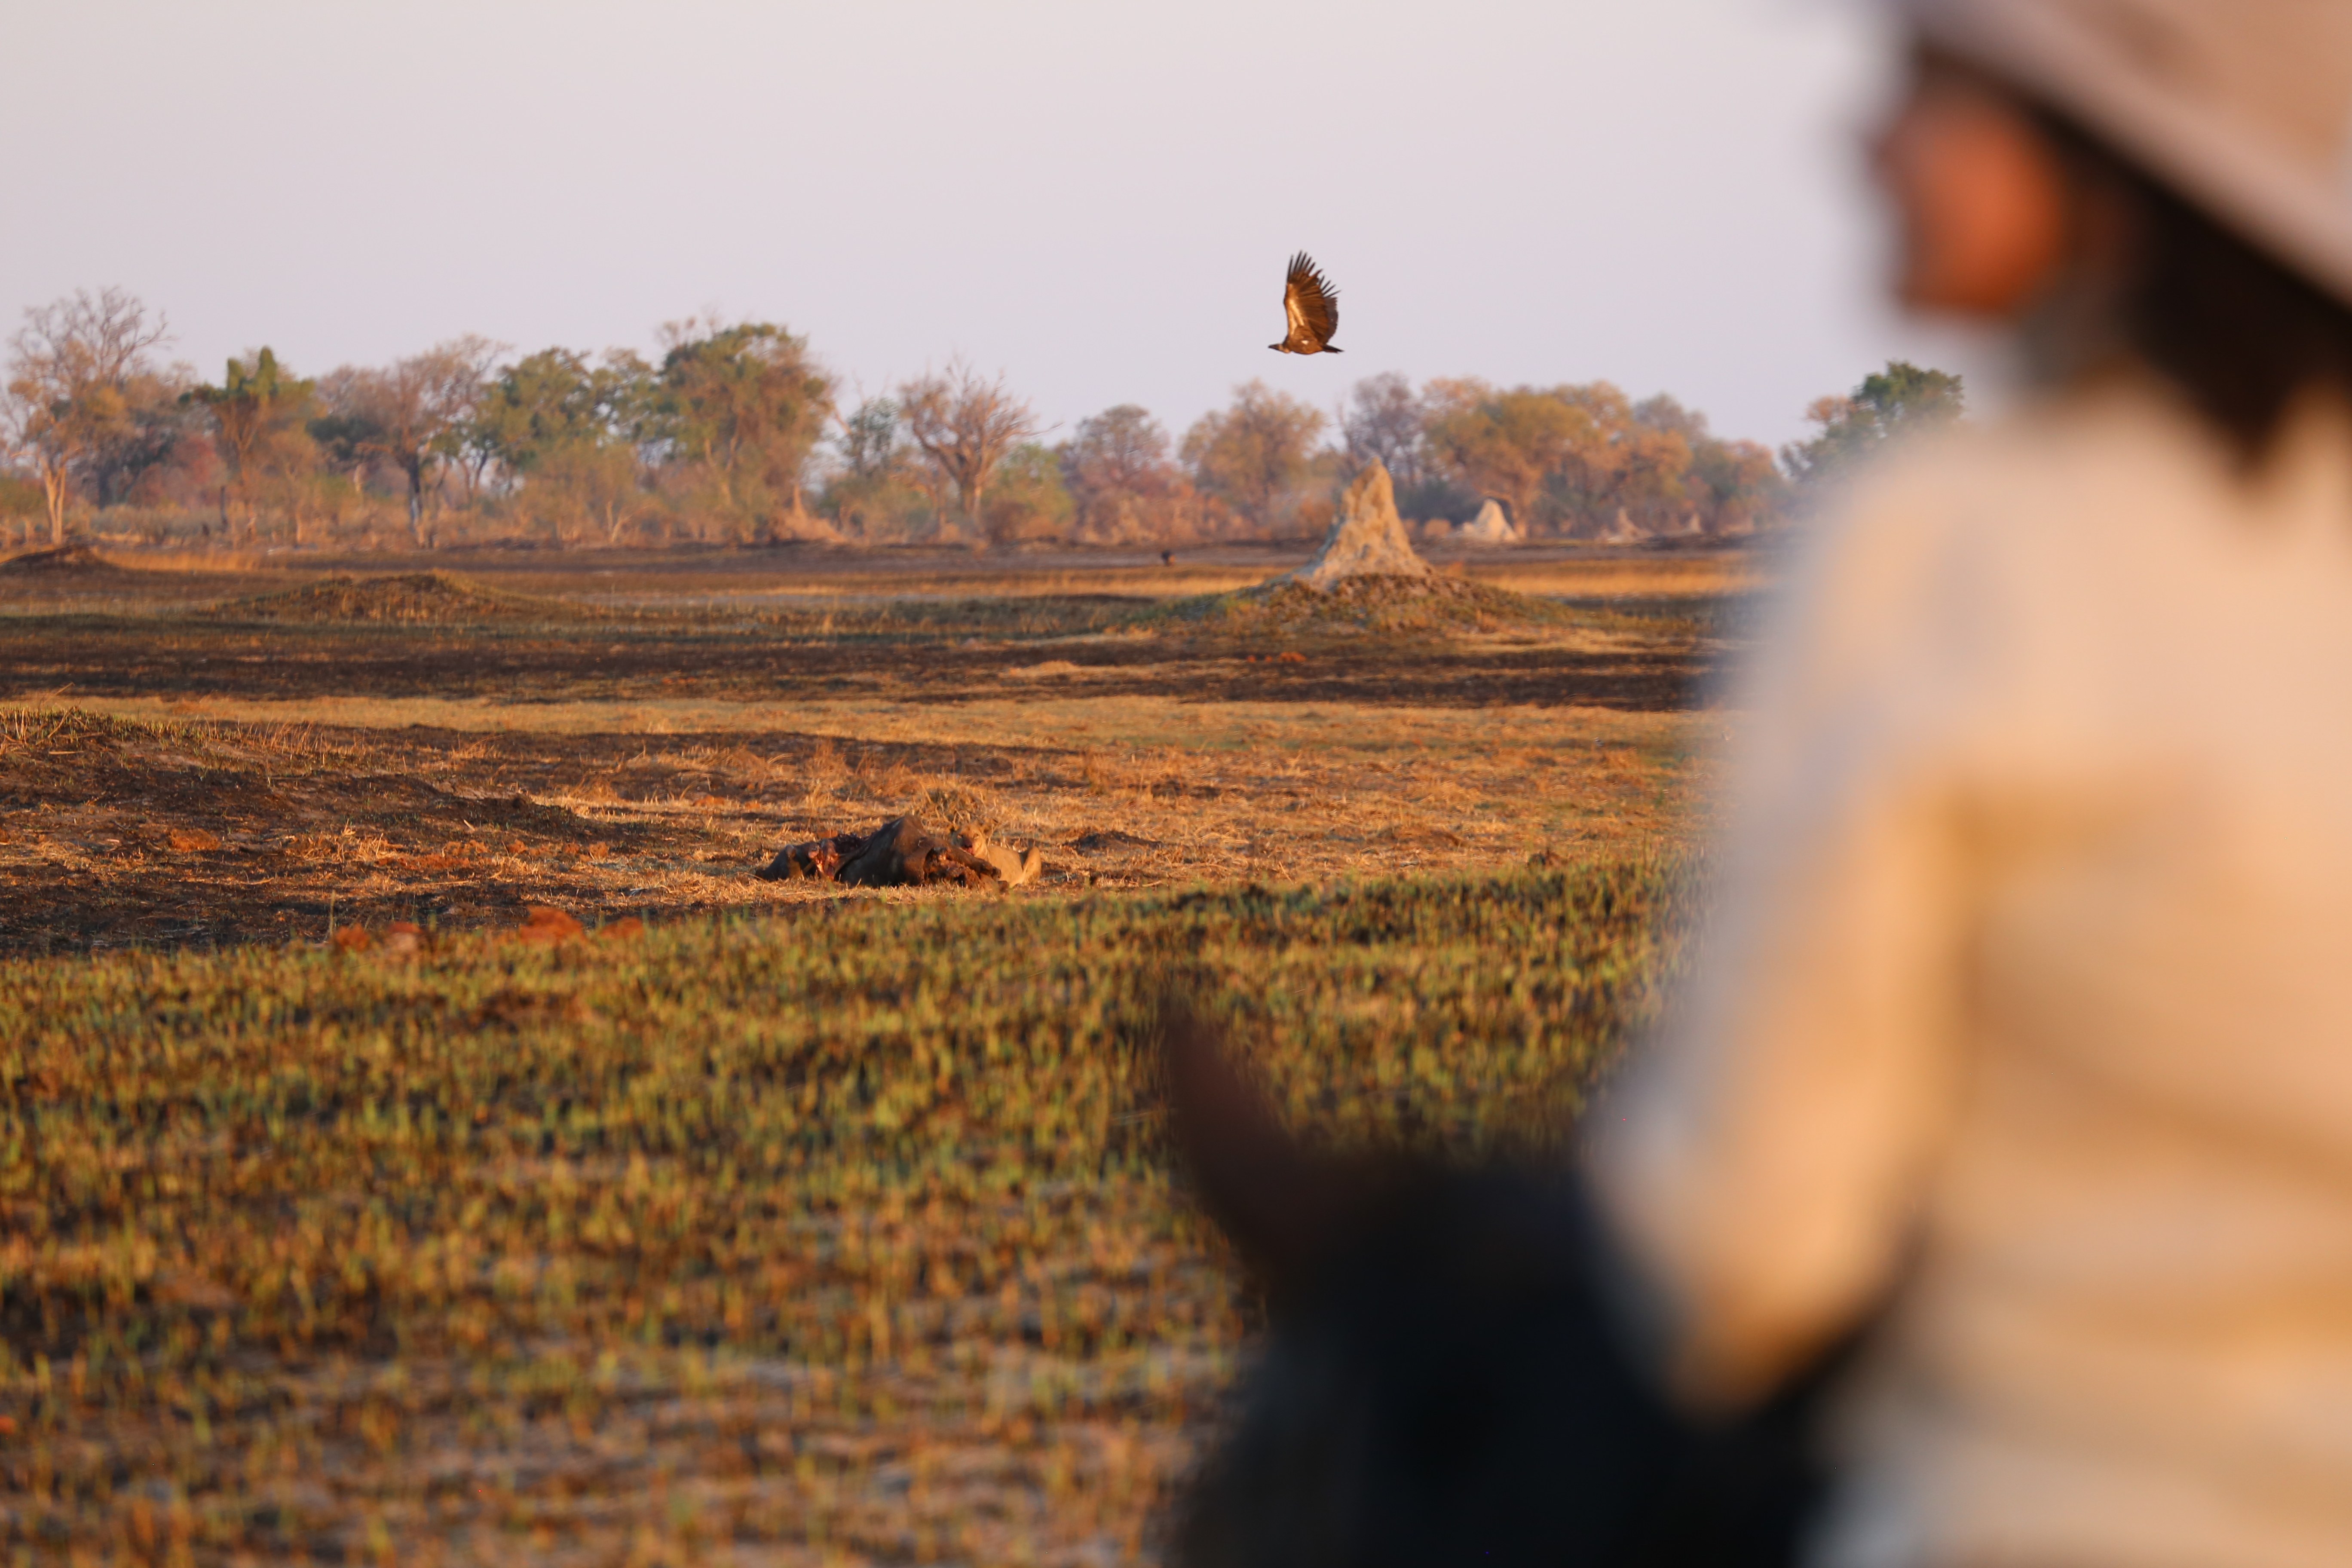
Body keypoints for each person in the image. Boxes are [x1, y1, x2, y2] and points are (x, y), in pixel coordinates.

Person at [1589, 2, 2352, 1565]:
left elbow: (1743, 1255)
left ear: (2119, 159)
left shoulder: (1947, 550)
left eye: (1942, 88)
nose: (1867, 139)